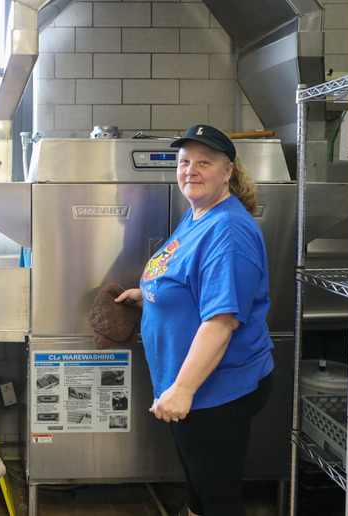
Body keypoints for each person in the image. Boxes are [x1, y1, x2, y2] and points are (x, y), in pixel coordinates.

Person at [115, 124, 274, 516]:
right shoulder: (199, 213)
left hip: (215, 387)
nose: (191, 170)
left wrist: (183, 389)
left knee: (217, 496)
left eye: (205, 162)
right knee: (199, 489)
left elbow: (220, 322)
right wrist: (149, 297)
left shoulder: (228, 230)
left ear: (228, 171)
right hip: (192, 383)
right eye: (184, 161)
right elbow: (188, 282)